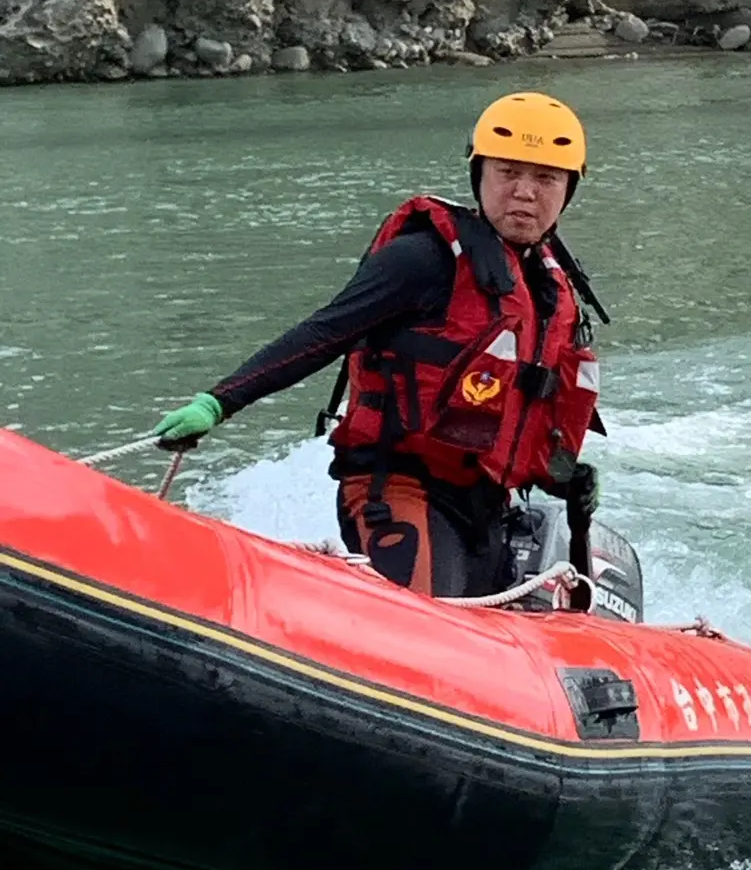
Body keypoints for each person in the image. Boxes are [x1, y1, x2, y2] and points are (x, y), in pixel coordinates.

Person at [154, 91, 604, 599]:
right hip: (399, 487)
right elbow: (323, 332)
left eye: (545, 178)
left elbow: (528, 405)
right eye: (507, 173)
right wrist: (219, 401)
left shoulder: (551, 290)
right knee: (431, 633)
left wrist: (562, 477)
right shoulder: (424, 259)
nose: (525, 192)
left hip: (487, 509)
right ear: (479, 176)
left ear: (569, 190)